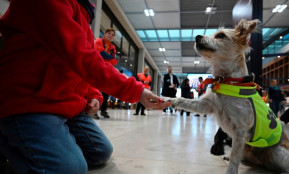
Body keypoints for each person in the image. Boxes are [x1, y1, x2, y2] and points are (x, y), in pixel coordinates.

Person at [0, 1, 170, 173]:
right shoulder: (50, 5)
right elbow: (81, 57)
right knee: (70, 169)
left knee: (100, 152)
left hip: (64, 102)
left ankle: (49, 141)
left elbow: (84, 64)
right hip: (31, 99)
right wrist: (136, 90)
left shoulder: (84, 16)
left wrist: (94, 95)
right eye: (109, 34)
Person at [94, 28, 118, 119]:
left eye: (112, 34)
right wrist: (109, 57)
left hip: (106, 70)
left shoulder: (113, 47)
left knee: (106, 91)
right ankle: (93, 111)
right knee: (95, 90)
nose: (110, 35)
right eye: (109, 33)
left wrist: (108, 57)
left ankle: (103, 110)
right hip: (96, 68)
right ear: (105, 34)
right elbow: (99, 53)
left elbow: (114, 61)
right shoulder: (99, 41)